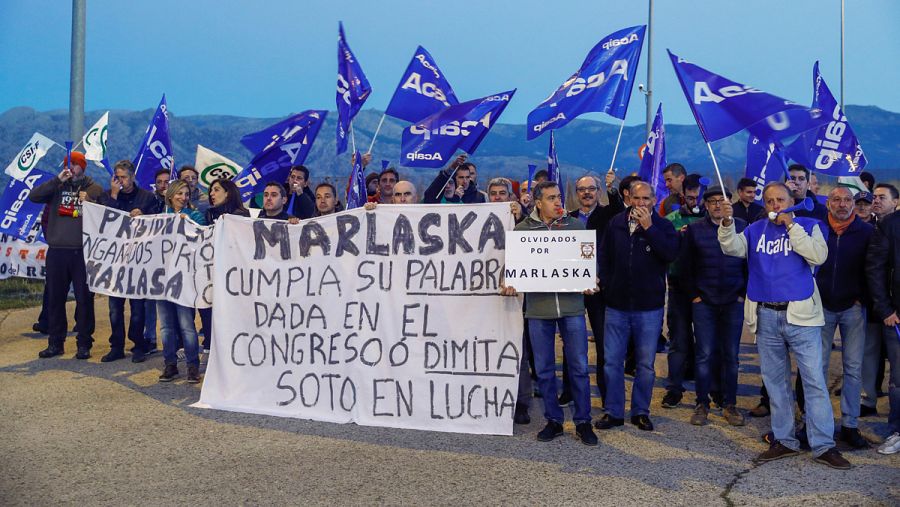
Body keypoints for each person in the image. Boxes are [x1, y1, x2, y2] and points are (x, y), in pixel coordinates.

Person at [718, 182, 850, 469]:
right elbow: (732, 248)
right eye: (769, 201)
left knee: (814, 381)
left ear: (792, 200)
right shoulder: (755, 229)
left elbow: (818, 256)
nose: (775, 205)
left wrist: (791, 226)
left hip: (800, 316)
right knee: (776, 383)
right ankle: (785, 440)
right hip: (766, 315)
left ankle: (823, 444)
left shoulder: (810, 225)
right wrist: (727, 223)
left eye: (780, 199)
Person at [500, 181, 598, 446]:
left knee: (578, 367)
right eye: (552, 198)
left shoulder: (576, 227)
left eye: (559, 197)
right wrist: (508, 283)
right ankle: (553, 420)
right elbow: (512, 268)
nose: (558, 202)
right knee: (543, 370)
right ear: (538, 202)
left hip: (572, 308)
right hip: (538, 310)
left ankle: (583, 421)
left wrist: (591, 279)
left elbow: (587, 264)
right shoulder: (522, 231)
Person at [596, 180, 678, 432]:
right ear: (629, 199)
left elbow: (670, 254)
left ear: (654, 200)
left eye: (646, 199)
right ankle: (614, 411)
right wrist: (607, 284)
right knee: (611, 362)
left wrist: (649, 228)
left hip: (649, 307)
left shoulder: (663, 226)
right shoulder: (616, 223)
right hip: (617, 305)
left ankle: (641, 411)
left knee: (644, 364)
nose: (641, 203)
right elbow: (604, 256)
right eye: (637, 198)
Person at [811, 187, 874, 448]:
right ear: (828, 204)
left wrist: (862, 297)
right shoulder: (817, 229)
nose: (842, 204)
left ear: (853, 204)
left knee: (853, 367)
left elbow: (874, 268)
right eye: (836, 199)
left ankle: (850, 424)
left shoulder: (867, 232)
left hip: (853, 307)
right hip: (822, 307)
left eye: (847, 200)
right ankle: (819, 423)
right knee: (818, 367)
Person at [28, 151, 103, 359]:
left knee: (84, 299)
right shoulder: (56, 187)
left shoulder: (94, 189)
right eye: (67, 164)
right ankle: (55, 342)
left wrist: (91, 201)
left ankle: (84, 343)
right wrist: (56, 180)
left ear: (83, 167)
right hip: (57, 251)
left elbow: (106, 215)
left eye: (74, 165)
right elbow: (33, 196)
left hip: (83, 252)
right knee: (55, 298)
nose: (70, 168)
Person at [683, 185, 747, 426]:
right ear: (706, 205)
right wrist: (694, 295)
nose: (718, 205)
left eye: (723, 200)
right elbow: (685, 265)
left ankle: (730, 404)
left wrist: (743, 293)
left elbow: (750, 263)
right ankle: (702, 403)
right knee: (704, 354)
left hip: (733, 299)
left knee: (731, 355)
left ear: (730, 203)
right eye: (712, 201)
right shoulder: (696, 230)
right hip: (704, 301)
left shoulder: (742, 227)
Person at [99, 160, 158, 363]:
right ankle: (116, 346)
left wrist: (143, 215)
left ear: (132, 176)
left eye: (123, 177)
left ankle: (138, 344)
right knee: (115, 308)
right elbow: (105, 222)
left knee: (137, 308)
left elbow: (156, 225)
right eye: (117, 177)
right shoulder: (107, 196)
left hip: (138, 262)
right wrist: (114, 196)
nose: (120, 181)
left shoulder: (147, 197)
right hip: (115, 263)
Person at [661, 176, 706, 409]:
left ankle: (707, 390)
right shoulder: (671, 220)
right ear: (683, 196)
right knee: (678, 341)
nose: (694, 201)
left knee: (706, 342)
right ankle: (674, 389)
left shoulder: (711, 219)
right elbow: (664, 249)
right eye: (690, 197)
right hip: (678, 286)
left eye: (698, 197)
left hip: (704, 287)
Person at [157, 180, 206, 383]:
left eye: (186, 194)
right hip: (161, 279)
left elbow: (203, 237)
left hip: (185, 279)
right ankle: (170, 364)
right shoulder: (160, 217)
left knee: (187, 324)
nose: (183, 197)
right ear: (171, 195)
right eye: (179, 194)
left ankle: (193, 365)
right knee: (166, 326)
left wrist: (190, 225)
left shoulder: (195, 216)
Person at [865, 204, 900, 455]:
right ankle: (897, 430)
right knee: (899, 379)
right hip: (897, 316)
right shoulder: (890, 224)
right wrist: (885, 309)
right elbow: (875, 268)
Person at [861, 183, 899, 414]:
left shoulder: (891, 226)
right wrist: (882, 306)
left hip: (893, 305)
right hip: (877, 304)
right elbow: (870, 268)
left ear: (895, 202)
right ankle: (868, 399)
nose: (876, 201)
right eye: (874, 197)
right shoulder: (867, 227)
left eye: (881, 197)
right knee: (870, 353)